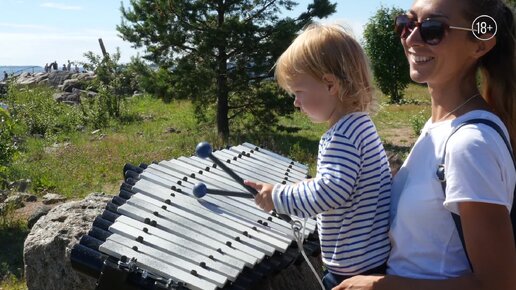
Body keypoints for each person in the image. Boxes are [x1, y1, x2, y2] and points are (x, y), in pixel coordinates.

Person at [333, 0, 516, 289]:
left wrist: (380, 287)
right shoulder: (438, 129)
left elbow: (497, 284)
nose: (411, 38)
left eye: (433, 29)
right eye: (406, 23)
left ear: (480, 45)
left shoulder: (469, 145)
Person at [243, 23, 392, 290]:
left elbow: (330, 192)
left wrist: (277, 197)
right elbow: (344, 187)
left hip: (354, 271)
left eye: (298, 92)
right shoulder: (361, 125)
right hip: (373, 258)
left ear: (330, 84)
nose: (295, 103)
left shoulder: (341, 137)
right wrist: (300, 187)